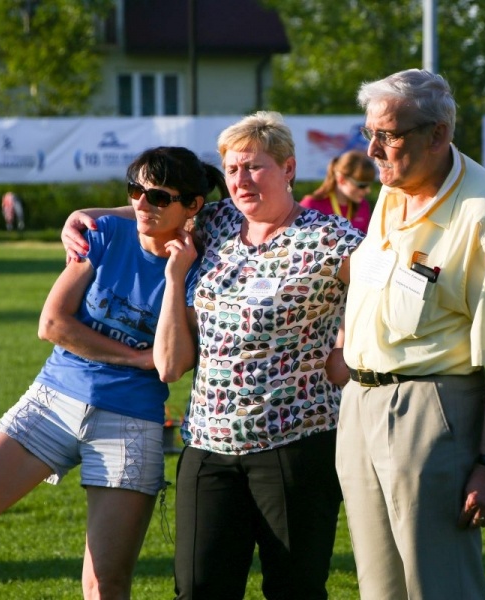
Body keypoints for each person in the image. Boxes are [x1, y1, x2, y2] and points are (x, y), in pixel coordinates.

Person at [61, 111, 364, 600]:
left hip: (295, 445)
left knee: (295, 590)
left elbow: (385, 296)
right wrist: (83, 216)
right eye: (233, 169)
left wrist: (350, 349)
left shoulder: (330, 238)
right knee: (199, 589)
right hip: (208, 444)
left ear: (288, 168)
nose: (241, 180)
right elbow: (155, 209)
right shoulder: (217, 223)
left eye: (255, 167)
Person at [0, 146, 223, 598]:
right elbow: (53, 324)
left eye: (159, 197)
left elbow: (172, 365)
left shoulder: (203, 266)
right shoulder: (105, 234)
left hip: (131, 422)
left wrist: (175, 277)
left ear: (193, 205)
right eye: (135, 190)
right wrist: (134, 358)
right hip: (51, 402)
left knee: (105, 585)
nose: (142, 203)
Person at [336, 68, 485, 599]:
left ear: (437, 135)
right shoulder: (395, 187)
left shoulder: (483, 214)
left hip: (429, 411)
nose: (372, 150)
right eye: (368, 132)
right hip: (359, 405)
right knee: (380, 588)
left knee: (440, 586)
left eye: (388, 135)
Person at [299, 149, 376, 232]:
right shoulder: (311, 205)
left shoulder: (363, 206)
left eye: (369, 185)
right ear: (341, 179)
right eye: (361, 185)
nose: (368, 190)